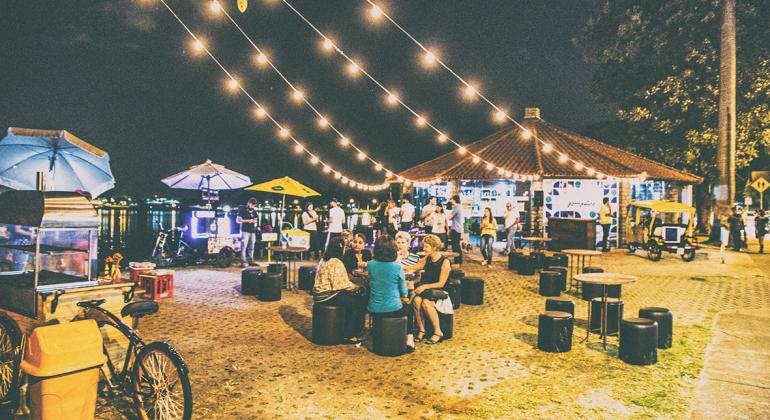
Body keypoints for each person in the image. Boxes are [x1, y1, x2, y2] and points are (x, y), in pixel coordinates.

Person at [312, 237, 367, 344]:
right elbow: (342, 285)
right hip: (328, 295)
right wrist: (358, 288)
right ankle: (349, 334)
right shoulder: (336, 262)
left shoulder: (324, 260)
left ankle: (343, 329)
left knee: (350, 299)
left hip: (319, 294)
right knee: (357, 302)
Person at [367, 235, 415, 352]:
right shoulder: (397, 267)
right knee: (409, 308)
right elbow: (404, 292)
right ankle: (410, 339)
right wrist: (404, 297)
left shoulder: (370, 264)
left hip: (373, 309)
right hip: (393, 309)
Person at [405, 234, 453, 344]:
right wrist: (399, 266)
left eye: (426, 247)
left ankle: (437, 332)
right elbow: (414, 267)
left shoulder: (444, 262)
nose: (423, 249)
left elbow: (441, 283)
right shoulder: (427, 258)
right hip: (426, 290)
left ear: (434, 247)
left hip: (439, 290)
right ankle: (422, 330)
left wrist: (424, 286)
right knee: (417, 301)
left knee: (426, 303)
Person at [237, 197, 259, 267]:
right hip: (245, 231)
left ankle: (250, 260)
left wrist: (253, 221)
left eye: (254, 205)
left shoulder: (254, 211)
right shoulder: (242, 210)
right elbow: (239, 220)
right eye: (252, 205)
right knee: (244, 246)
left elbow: (256, 220)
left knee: (252, 246)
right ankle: (243, 261)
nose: (253, 206)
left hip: (252, 231)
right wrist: (248, 220)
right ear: (249, 203)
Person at [448, 194, 465, 263]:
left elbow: (449, 217)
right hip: (459, 228)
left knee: (455, 245)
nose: (450, 201)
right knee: (457, 245)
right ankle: (459, 259)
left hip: (455, 228)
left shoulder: (456, 207)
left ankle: (457, 260)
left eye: (451, 199)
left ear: (454, 200)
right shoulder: (460, 207)